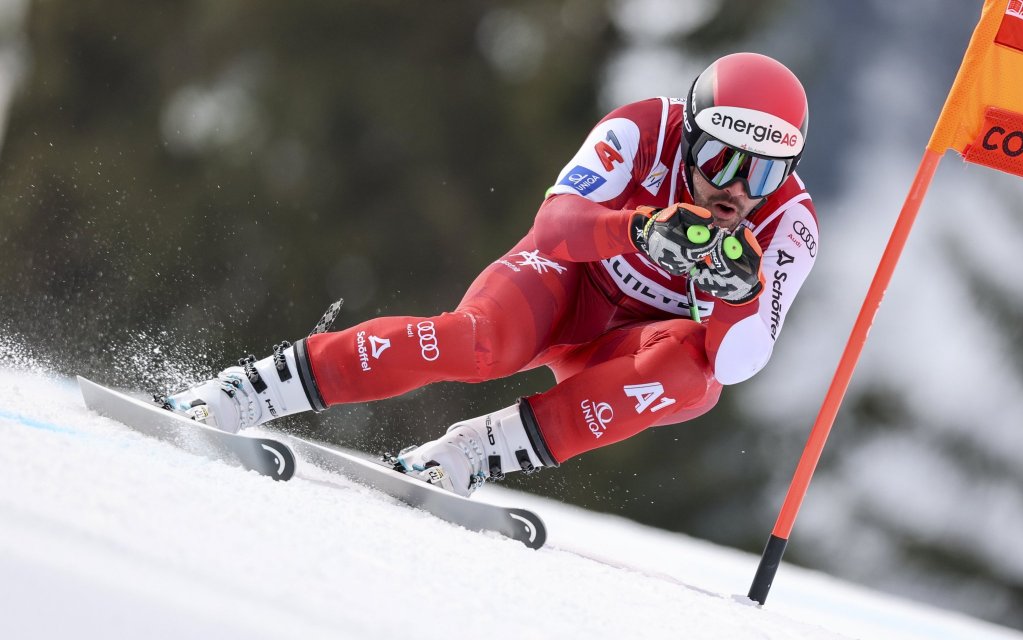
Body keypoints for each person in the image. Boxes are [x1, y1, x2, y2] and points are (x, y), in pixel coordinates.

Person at [165, 52, 820, 497]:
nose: (732, 190)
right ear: (688, 134)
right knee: (475, 345)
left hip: (629, 347)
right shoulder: (645, 127)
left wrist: (739, 293)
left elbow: (737, 362)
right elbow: (554, 227)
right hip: (566, 287)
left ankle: (472, 451)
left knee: (692, 382)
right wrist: (638, 230)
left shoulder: (790, 226)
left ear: (786, 173)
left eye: (760, 172)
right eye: (718, 159)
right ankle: (249, 390)